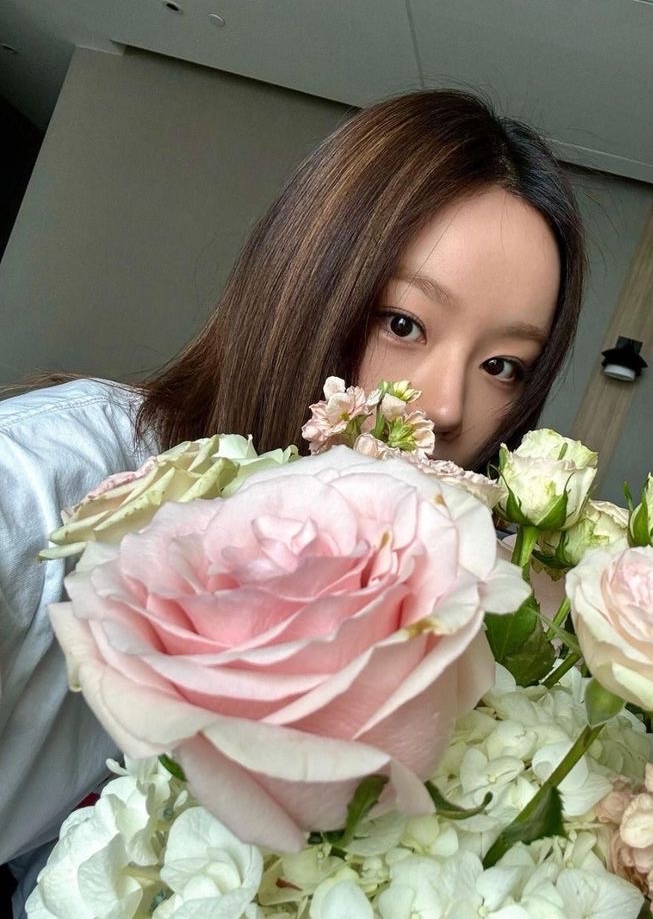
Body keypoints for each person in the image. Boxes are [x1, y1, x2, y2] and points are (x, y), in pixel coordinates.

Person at [0, 88, 584, 913]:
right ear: (304, 284)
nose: (449, 406)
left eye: (503, 367)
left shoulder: (417, 604)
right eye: (403, 323)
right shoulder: (48, 480)